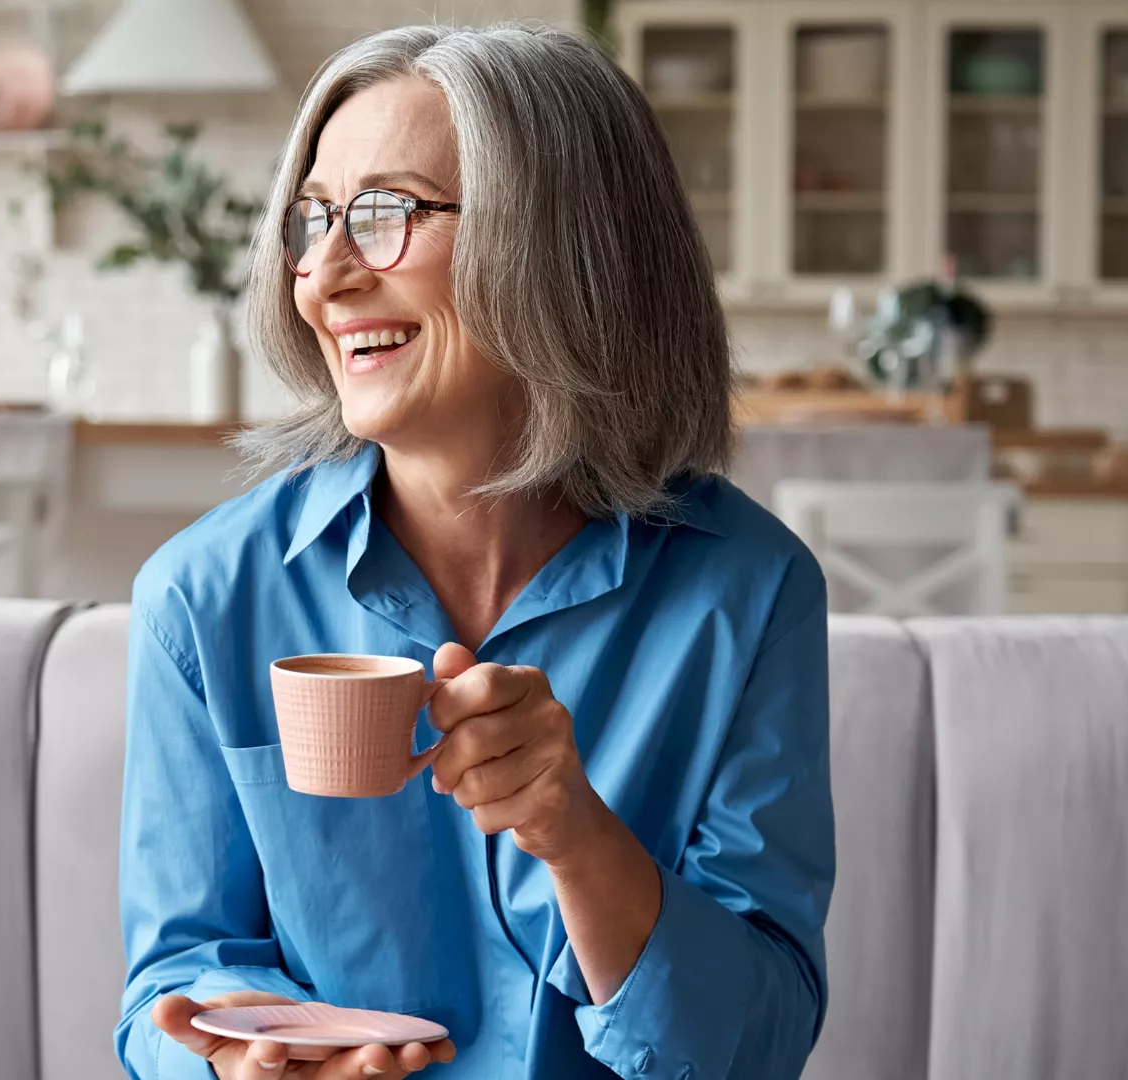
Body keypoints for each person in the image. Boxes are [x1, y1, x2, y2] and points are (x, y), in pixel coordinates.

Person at [116, 22, 834, 1080]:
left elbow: (754, 1045)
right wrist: (232, 1059)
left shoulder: (748, 593)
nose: (324, 275)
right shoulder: (204, 599)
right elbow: (174, 979)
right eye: (312, 222)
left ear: (563, 244)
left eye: (384, 214)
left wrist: (576, 832)